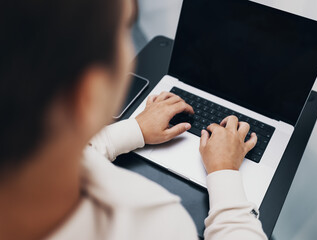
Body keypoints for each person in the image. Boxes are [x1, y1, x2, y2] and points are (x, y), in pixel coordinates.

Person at [0, 0, 267, 239]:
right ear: (88, 97)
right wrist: (224, 173)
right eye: (125, 28)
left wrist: (134, 129)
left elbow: (74, 156)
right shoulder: (159, 227)